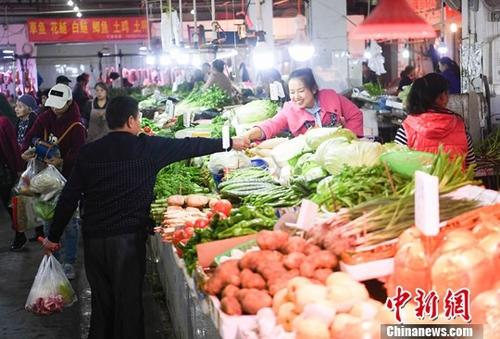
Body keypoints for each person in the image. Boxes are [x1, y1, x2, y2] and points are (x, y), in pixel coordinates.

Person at [42, 95, 249, 339]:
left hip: (95, 241)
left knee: (102, 307)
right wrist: (230, 142)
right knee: (129, 307)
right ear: (131, 120)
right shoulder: (148, 148)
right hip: (128, 242)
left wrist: (53, 237)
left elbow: (69, 196)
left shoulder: (89, 152)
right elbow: (191, 146)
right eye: (138, 118)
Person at [22, 83, 86, 279]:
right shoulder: (44, 117)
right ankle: (54, 259)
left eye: (59, 105)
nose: (55, 109)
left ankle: (69, 262)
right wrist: (35, 146)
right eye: (52, 105)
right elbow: (30, 136)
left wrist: (63, 160)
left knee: (71, 222)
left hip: (69, 180)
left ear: (68, 102)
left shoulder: (77, 125)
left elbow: (80, 153)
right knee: (48, 219)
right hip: (46, 179)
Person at [244, 68, 364, 142]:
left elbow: (355, 114)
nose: (296, 96)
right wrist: (249, 134)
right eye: (292, 92)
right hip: (311, 158)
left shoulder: (331, 97)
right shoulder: (289, 110)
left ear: (313, 89)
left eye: (301, 91)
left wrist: (350, 137)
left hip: (339, 151)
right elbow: (271, 125)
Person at [394, 73, 475, 167]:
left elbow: (397, 166)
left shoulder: (406, 129)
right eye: (447, 93)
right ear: (442, 97)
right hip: (458, 181)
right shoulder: (460, 126)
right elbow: (471, 166)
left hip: (418, 182)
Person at [0, 112, 24, 251]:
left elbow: (13, 146)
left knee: (10, 205)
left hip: (4, 170)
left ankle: (20, 234)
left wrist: (18, 168)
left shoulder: (4, 122)